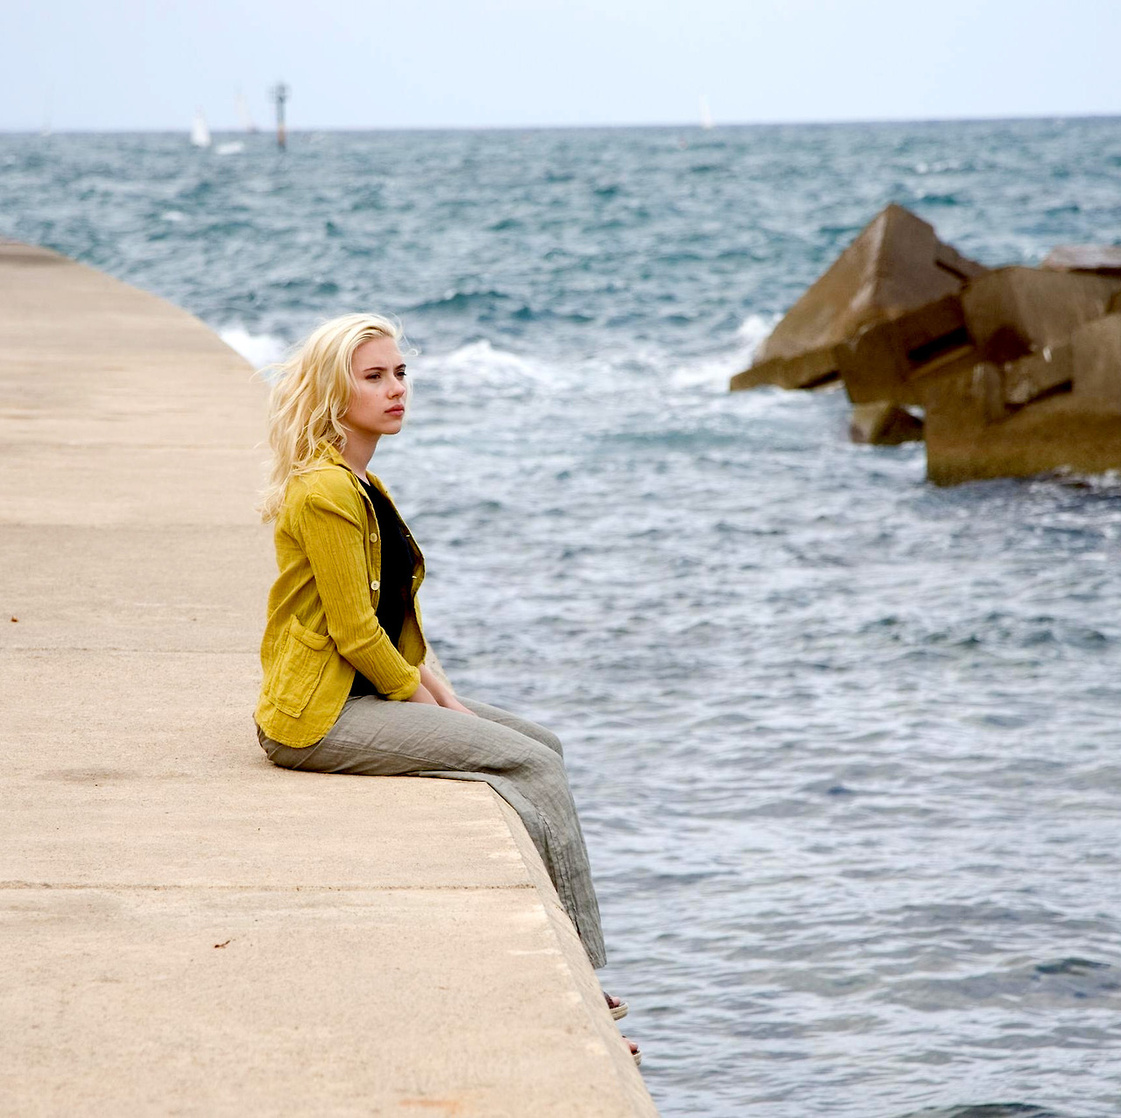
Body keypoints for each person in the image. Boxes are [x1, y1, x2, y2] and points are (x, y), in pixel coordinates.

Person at [253, 313, 638, 1061]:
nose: (396, 389)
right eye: (374, 377)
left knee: (541, 744)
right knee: (529, 765)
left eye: (400, 373)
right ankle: (583, 977)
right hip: (318, 715)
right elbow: (354, 633)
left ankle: (569, 953)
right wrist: (422, 698)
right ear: (333, 392)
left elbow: (385, 617)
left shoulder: (364, 483)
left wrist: (444, 696)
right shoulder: (326, 491)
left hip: (360, 692)